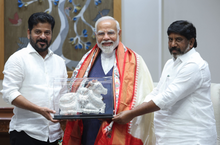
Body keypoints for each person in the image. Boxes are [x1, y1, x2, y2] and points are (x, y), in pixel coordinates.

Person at [113, 20, 217, 144]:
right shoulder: (170, 63)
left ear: (191, 42)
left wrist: (132, 113)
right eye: (170, 39)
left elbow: (167, 98)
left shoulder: (195, 65)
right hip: (167, 136)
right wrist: (132, 109)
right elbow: (158, 91)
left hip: (192, 137)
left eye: (178, 40)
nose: (173, 44)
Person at [62, 16, 155, 145]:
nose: (106, 37)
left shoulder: (135, 61)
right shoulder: (86, 61)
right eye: (101, 33)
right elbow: (75, 93)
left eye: (110, 32)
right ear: (95, 35)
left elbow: (144, 96)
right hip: (89, 128)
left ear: (119, 33)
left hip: (120, 128)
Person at [1, 12, 68, 145]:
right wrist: (39, 110)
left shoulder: (59, 62)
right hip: (26, 134)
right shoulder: (17, 59)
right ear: (29, 32)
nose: (43, 36)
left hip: (55, 135)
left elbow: (63, 95)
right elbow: (10, 93)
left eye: (47, 32)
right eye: (38, 32)